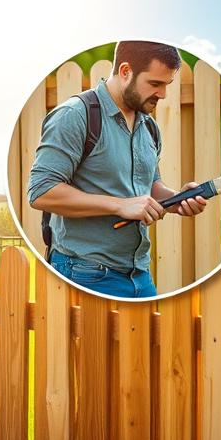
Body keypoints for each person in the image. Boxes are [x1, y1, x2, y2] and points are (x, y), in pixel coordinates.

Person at [27, 40, 207, 298]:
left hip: (139, 274)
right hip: (85, 272)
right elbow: (41, 192)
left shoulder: (149, 127)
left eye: (167, 85)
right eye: (155, 84)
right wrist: (118, 205)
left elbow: (150, 186)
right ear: (125, 71)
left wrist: (176, 200)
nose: (163, 94)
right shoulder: (75, 115)